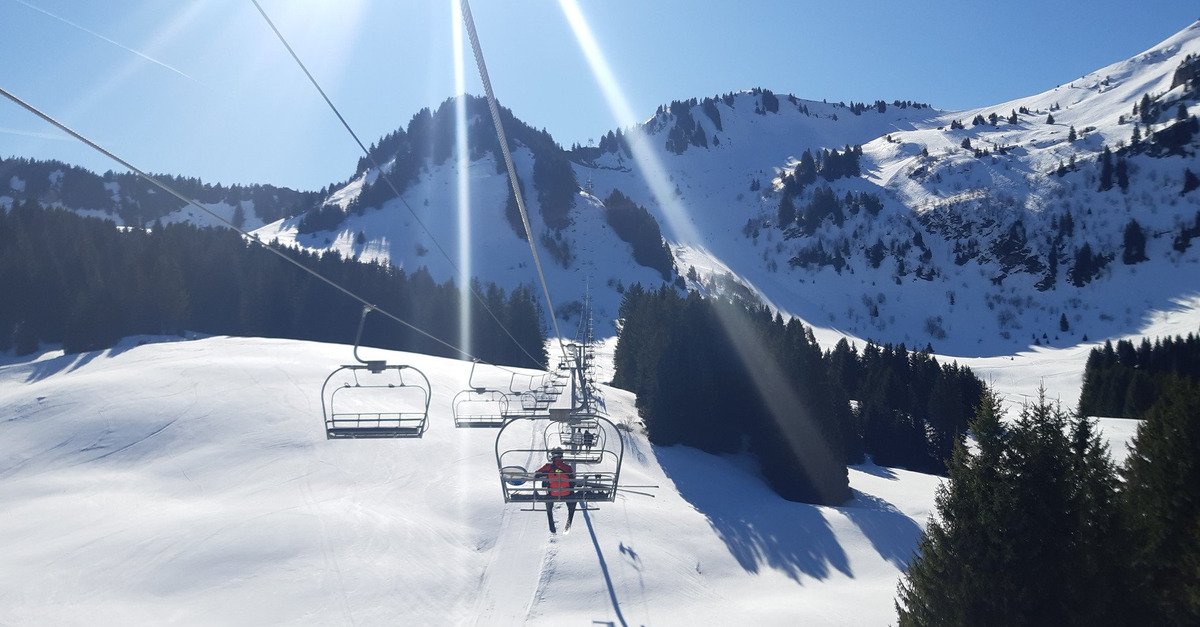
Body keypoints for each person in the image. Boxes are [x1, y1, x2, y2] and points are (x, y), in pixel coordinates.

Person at [536, 448, 575, 533]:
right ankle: (570, 516)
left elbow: (536, 474)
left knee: (549, 495)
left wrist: (545, 476)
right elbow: (572, 480)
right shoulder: (568, 468)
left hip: (553, 493)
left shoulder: (548, 467)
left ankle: (550, 520)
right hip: (566, 493)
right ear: (561, 457)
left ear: (552, 457)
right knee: (571, 494)